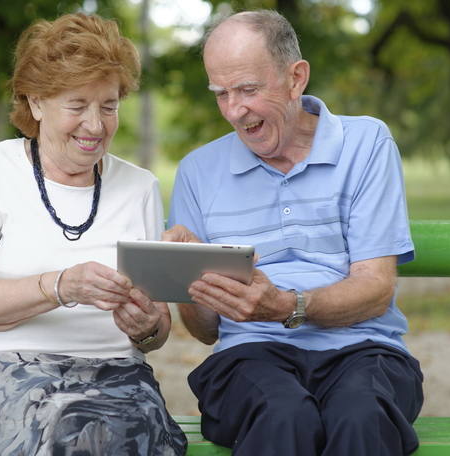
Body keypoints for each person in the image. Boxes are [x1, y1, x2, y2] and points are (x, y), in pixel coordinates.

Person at [164, 10, 424, 456]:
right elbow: (205, 331)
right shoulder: (197, 171)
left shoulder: (367, 144)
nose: (234, 110)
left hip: (364, 349)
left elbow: (375, 290)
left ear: (295, 78)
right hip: (249, 356)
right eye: (221, 94)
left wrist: (286, 306)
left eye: (248, 89)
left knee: (359, 416)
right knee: (284, 415)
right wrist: (190, 278)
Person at [0, 13, 186, 456]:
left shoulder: (140, 187)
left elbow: (156, 330)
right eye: (77, 105)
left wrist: (146, 326)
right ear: (36, 103)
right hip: (1, 367)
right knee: (69, 429)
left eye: (108, 107)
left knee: (129, 431)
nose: (95, 125)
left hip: (117, 375)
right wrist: (61, 286)